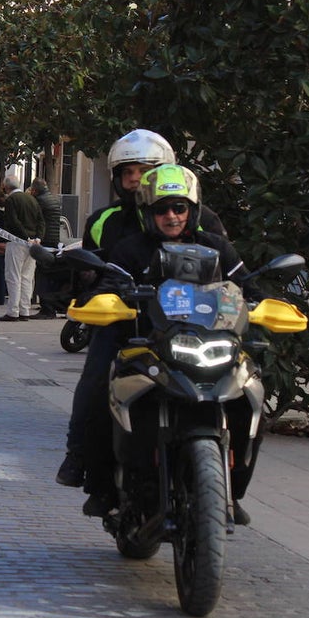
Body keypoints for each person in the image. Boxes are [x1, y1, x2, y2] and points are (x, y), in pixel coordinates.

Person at [81, 164, 259, 524]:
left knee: (251, 394)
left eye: (179, 208)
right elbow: (106, 286)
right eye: (162, 209)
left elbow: (250, 286)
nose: (172, 216)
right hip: (148, 346)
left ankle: (229, 489)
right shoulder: (131, 249)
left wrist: (270, 305)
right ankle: (101, 486)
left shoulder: (216, 246)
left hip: (211, 343)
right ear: (148, 213)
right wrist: (105, 302)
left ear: (192, 210)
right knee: (99, 393)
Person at [56, 129, 228, 490]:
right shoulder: (107, 222)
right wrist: (94, 293)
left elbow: (228, 268)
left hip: (195, 326)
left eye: (145, 170)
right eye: (128, 171)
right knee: (97, 377)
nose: (135, 178)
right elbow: (95, 273)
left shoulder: (202, 219)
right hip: (128, 325)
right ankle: (80, 456)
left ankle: (228, 482)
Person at [0, 176, 44, 322]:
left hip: (17, 242)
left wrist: (25, 237)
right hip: (33, 245)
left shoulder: (11, 200)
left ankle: (13, 311)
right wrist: (37, 238)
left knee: (13, 276)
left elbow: (13, 221)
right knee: (27, 277)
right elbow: (41, 221)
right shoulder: (32, 199)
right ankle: (25, 310)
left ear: (6, 187)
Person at [29, 178, 61, 319]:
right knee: (49, 275)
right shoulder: (53, 199)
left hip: (45, 240)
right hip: (53, 241)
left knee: (42, 276)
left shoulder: (39, 201)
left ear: (35, 190)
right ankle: (50, 306)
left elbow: (35, 220)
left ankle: (47, 309)